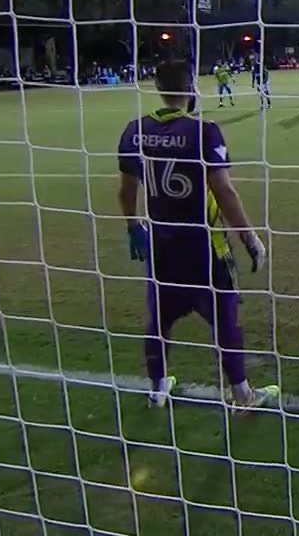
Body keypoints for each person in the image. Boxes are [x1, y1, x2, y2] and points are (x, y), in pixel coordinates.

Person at [116, 59, 279, 411]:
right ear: (190, 87)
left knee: (158, 319)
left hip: (160, 244)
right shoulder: (204, 131)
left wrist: (132, 226)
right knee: (224, 318)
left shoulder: (133, 131)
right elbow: (223, 190)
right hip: (204, 246)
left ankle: (158, 388)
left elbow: (126, 190)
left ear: (158, 87)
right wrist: (251, 239)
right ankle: (242, 394)